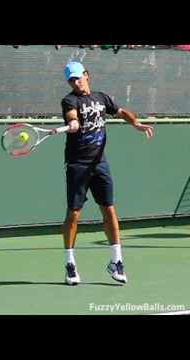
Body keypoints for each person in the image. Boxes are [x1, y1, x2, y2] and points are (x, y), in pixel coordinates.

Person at [57, 61, 154, 286]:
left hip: (100, 163)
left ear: (87, 75)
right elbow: (72, 116)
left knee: (109, 210)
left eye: (78, 77)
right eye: (71, 79)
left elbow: (120, 112)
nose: (76, 82)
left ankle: (116, 261)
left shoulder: (102, 98)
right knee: (74, 214)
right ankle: (70, 264)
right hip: (77, 165)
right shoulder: (69, 100)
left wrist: (136, 123)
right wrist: (73, 123)